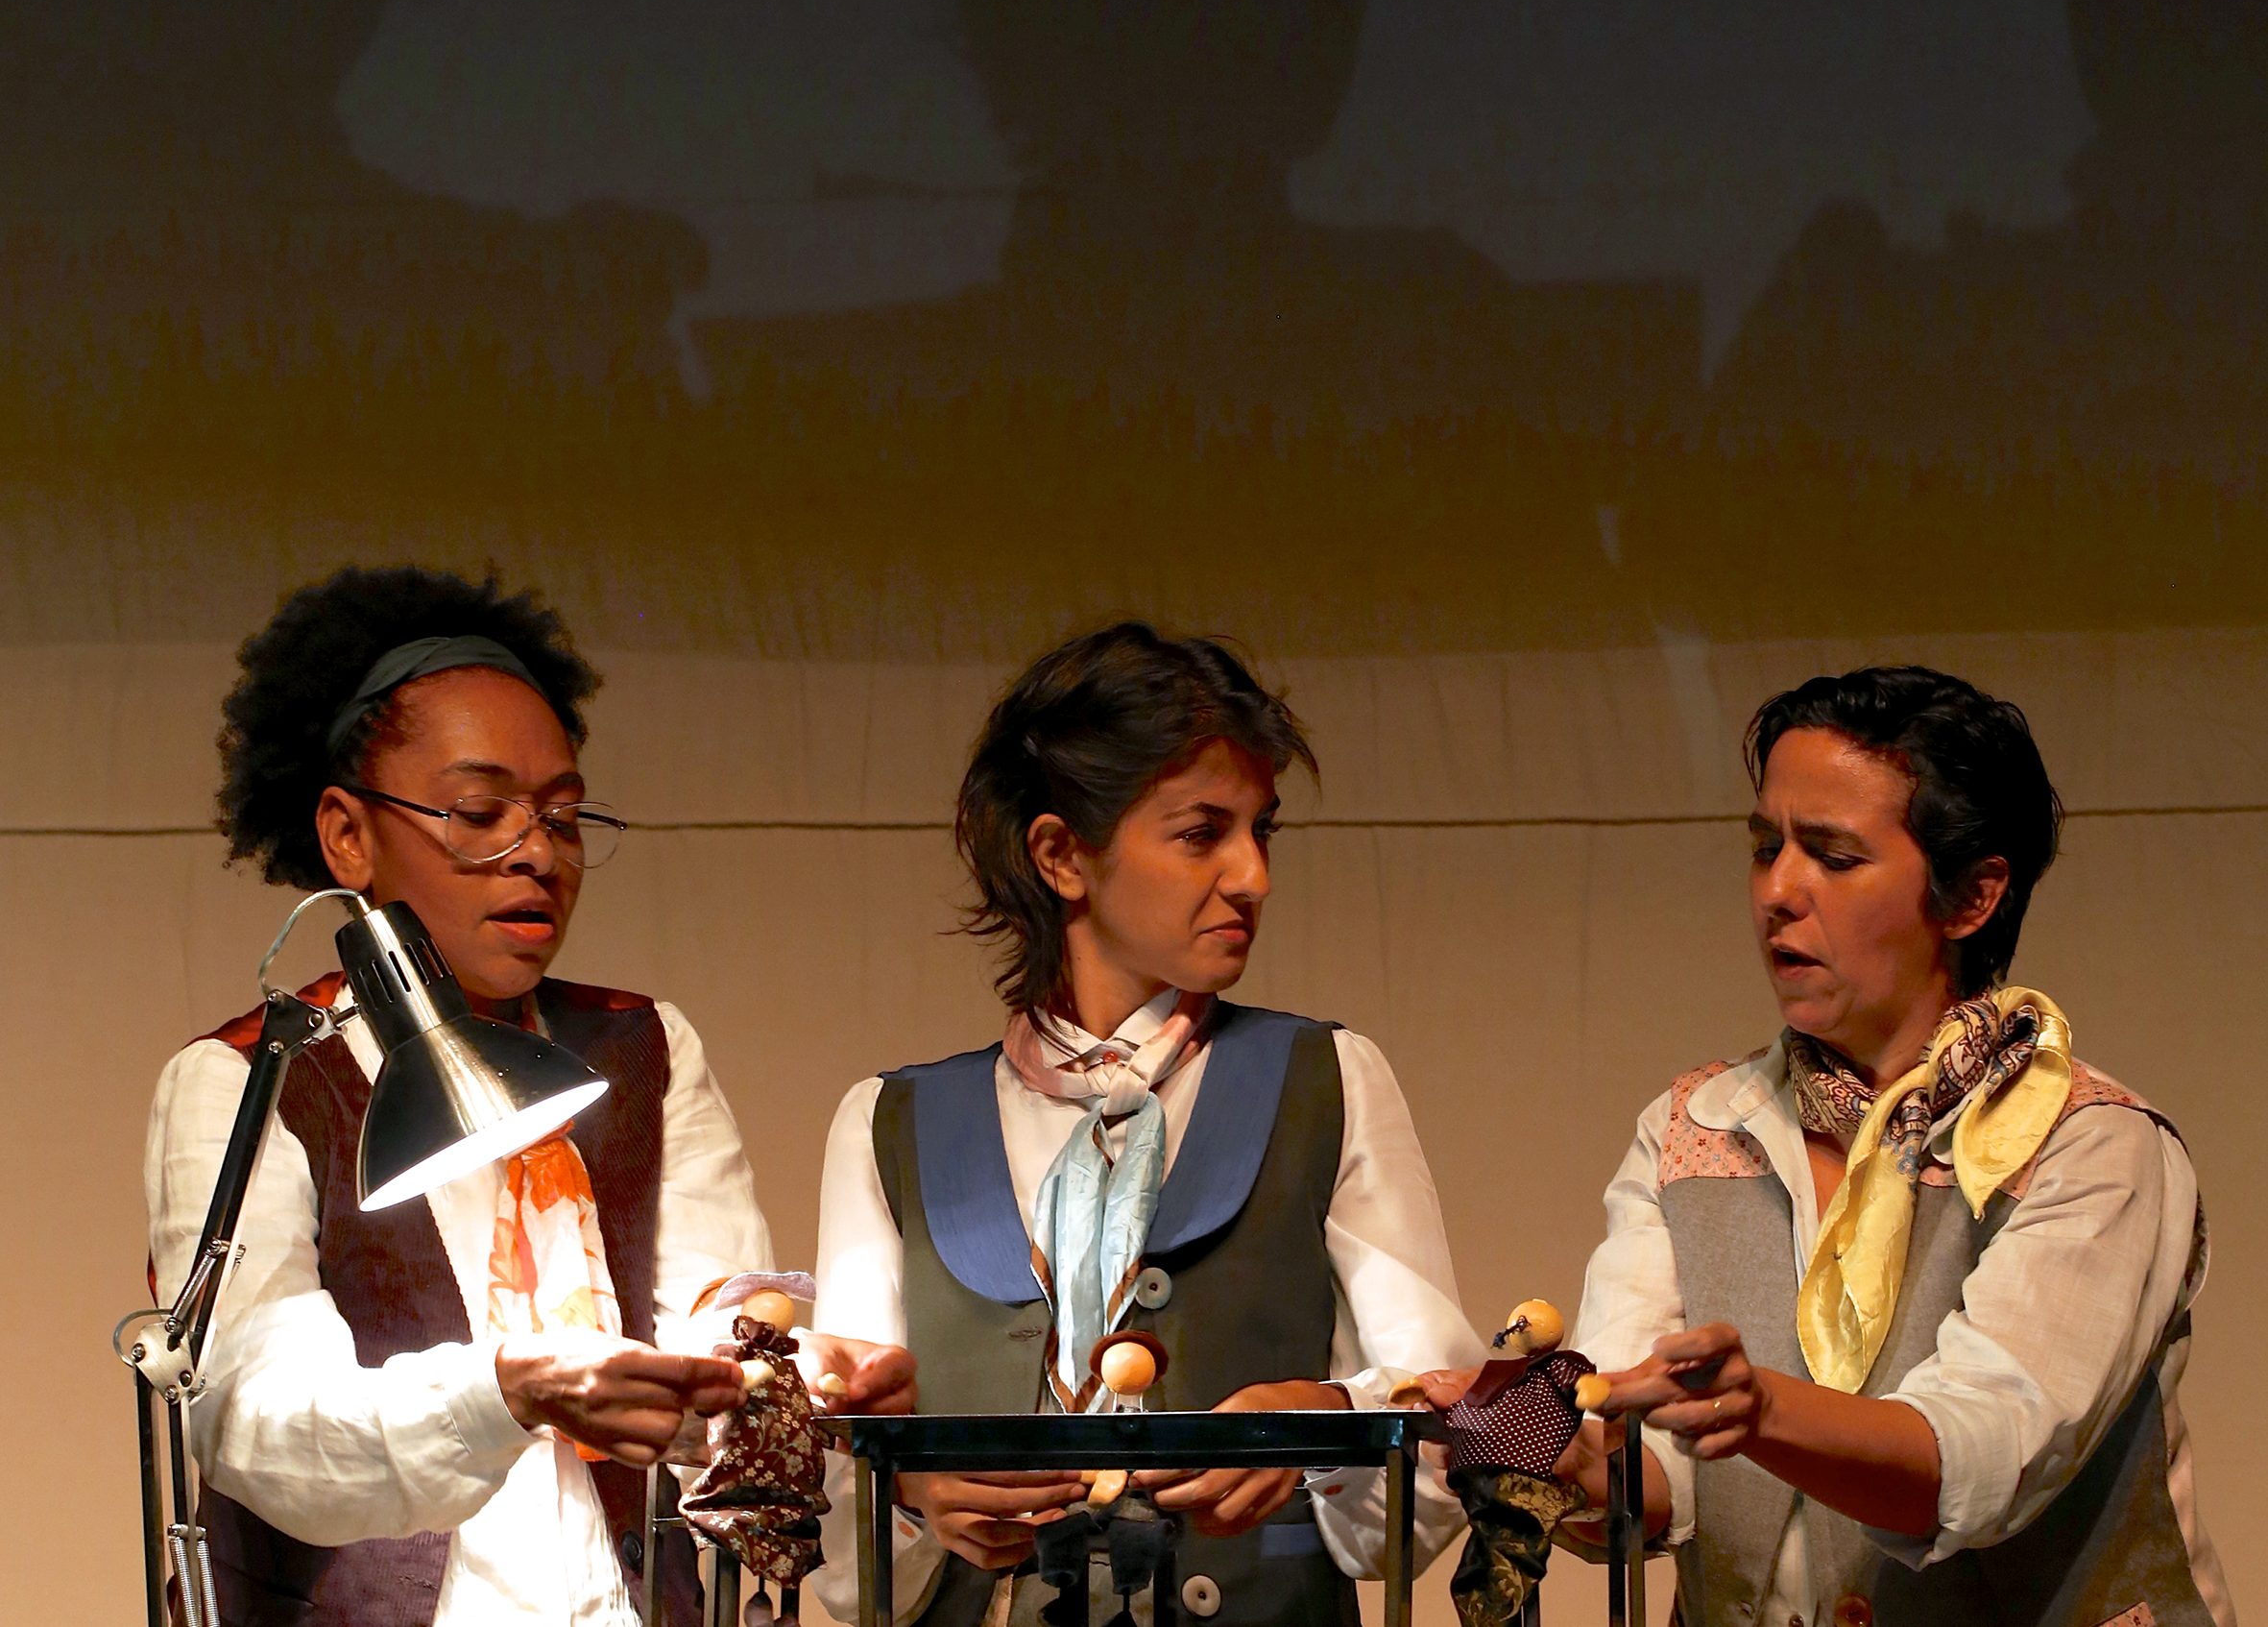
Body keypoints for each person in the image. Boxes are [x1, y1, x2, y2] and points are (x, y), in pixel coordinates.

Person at [144, 565, 909, 1626]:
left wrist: (775, 1380)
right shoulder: (252, 1076)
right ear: (348, 835)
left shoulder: (642, 1049)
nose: (537, 853)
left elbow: (709, 1336)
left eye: (562, 814)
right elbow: (260, 1425)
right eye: (479, 812)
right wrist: (504, 1389)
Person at [809, 621, 1484, 1625]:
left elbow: (1452, 1415)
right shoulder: (891, 1124)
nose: (1252, 875)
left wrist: (1326, 1418)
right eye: (1203, 833)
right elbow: (838, 1492)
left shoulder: (1325, 1078)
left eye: (1262, 831)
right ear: (1061, 855)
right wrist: (911, 1493)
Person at [1543, 666, 2226, 1624]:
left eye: (1832, 856)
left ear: (1971, 896)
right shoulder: (1694, 1128)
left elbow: (1986, 1452)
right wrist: (1552, 1451)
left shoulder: (2091, 1144)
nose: (1778, 890)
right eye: (1765, 847)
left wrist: (1763, 1409)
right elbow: (1652, 1469)